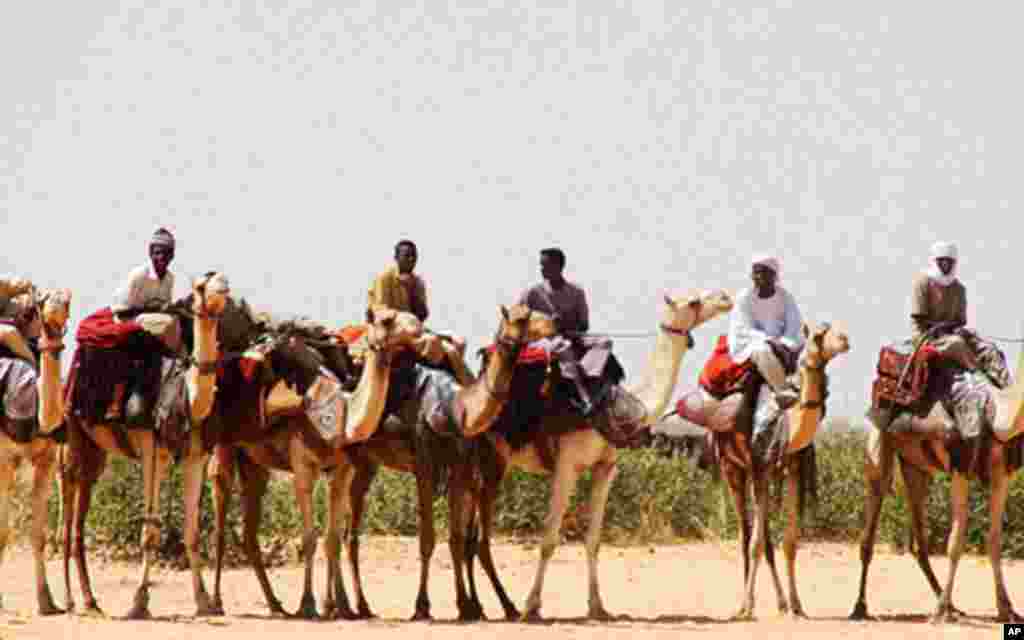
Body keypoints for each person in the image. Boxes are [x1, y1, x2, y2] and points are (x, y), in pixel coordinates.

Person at [518, 247, 613, 416]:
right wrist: (547, 324)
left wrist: (568, 326)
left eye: (545, 265)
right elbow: (518, 322)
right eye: (541, 265)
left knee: (604, 341)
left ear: (559, 266)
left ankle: (587, 374)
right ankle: (582, 395)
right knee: (563, 346)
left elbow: (584, 325)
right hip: (543, 341)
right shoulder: (532, 293)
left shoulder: (576, 292)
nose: (541, 269)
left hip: (573, 335)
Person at [367, 239, 472, 385]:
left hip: (413, 329)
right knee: (431, 341)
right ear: (396, 258)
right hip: (388, 330)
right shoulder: (384, 278)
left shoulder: (417, 281)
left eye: (413, 256)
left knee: (457, 343)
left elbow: (422, 315)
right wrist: (401, 317)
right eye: (407, 256)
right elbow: (380, 311)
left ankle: (466, 383)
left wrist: (412, 291)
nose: (411, 260)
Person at [726, 254, 804, 410]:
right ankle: (782, 390)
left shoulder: (785, 297)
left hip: (783, 341)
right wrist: (769, 340)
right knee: (762, 350)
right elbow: (743, 328)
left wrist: (785, 343)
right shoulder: (744, 297)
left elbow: (794, 325)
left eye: (763, 272)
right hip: (748, 342)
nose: (758, 276)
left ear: (774, 275)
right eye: (755, 272)